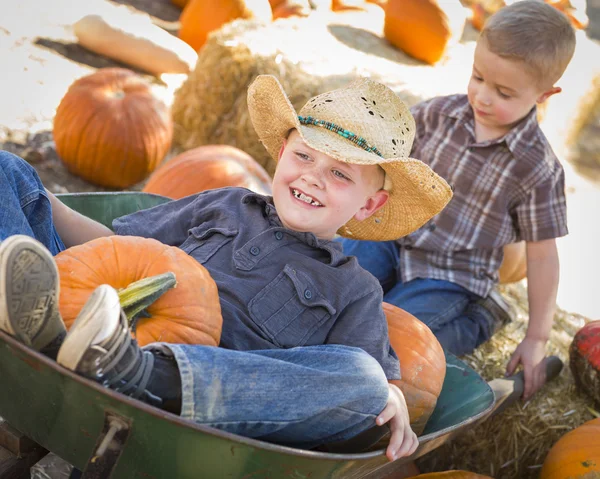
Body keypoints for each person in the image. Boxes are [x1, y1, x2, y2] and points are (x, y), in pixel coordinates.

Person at [0, 75, 452, 461]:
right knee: (8, 168)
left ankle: (137, 373)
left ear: (371, 203)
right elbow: (116, 250)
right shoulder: (226, 204)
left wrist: (390, 393)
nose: (313, 176)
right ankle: (27, 310)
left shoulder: (355, 289)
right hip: (97, 315)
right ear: (281, 151)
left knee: (364, 381)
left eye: (341, 174)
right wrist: (37, 198)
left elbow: (359, 386)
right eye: (305, 156)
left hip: (191, 408)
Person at [340, 0, 575, 401]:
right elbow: (383, 162)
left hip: (451, 273)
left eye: (503, 92)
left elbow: (540, 256)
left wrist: (537, 338)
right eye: (478, 77)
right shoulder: (436, 115)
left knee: (390, 340)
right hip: (394, 238)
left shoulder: (538, 169)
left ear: (544, 94)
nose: (482, 97)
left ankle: (483, 314)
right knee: (332, 284)